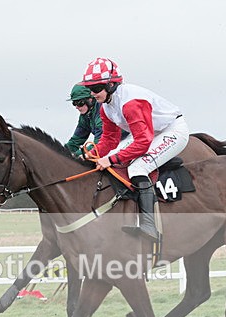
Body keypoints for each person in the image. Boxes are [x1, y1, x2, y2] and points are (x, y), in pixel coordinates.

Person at [78, 57, 189, 240]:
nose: (93, 94)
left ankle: (149, 225)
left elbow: (142, 142)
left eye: (97, 88)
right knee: (113, 157)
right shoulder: (105, 107)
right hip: (150, 133)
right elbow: (110, 139)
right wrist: (92, 154)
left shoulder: (131, 103)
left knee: (137, 167)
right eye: (90, 89)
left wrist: (111, 160)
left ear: (112, 85)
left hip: (173, 130)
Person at [64, 84, 103, 157]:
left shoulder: (101, 112)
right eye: (74, 103)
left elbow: (100, 144)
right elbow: (76, 140)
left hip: (125, 139)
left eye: (80, 103)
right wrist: (61, 151)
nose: (77, 107)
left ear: (90, 99)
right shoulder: (85, 116)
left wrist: (75, 154)